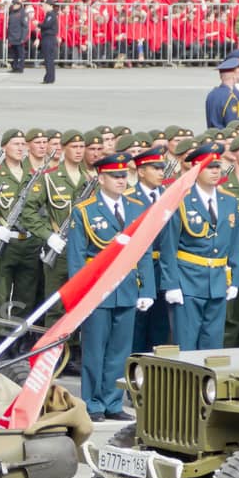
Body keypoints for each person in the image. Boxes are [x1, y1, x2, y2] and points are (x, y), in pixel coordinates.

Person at [68, 152, 153, 421]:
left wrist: (147, 288)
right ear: (100, 178)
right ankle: (93, 403)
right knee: (94, 349)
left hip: (127, 285)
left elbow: (144, 251)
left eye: (123, 175)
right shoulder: (85, 210)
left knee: (119, 350)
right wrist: (82, 293)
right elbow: (77, 257)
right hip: (98, 287)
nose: (120, 180)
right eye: (114, 176)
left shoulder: (136, 207)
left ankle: (112, 402)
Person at [160, 145, 239, 350]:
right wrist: (171, 285)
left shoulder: (229, 202)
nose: (215, 171)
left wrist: (235, 280)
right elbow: (168, 247)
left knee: (212, 345)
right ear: (196, 170)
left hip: (218, 282)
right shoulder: (182, 201)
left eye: (217, 166)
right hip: (188, 281)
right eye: (209, 167)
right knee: (186, 346)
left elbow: (234, 244)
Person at [7, 0, 29, 74]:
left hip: (19, 37)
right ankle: (15, 67)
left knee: (20, 53)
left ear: (19, 5)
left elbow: (25, 26)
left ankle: (20, 67)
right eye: (13, 4)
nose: (13, 6)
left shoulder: (22, 13)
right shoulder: (12, 12)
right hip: (12, 36)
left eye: (15, 4)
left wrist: (23, 38)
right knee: (14, 54)